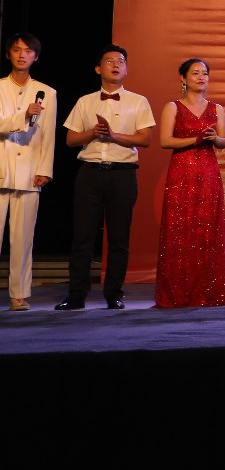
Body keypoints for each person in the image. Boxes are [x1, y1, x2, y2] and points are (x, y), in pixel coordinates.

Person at [58, 45, 155, 310]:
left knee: (119, 237)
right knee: (83, 236)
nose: (116, 65)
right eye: (110, 61)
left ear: (126, 69)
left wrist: (113, 136)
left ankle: (114, 294)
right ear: (98, 69)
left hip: (122, 174)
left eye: (121, 61)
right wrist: (92, 133)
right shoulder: (85, 101)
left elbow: (145, 139)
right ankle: (76, 295)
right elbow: (70, 139)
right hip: (90, 172)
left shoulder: (138, 101)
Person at [154, 58, 225, 307]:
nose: (201, 77)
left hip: (208, 173)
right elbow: (165, 141)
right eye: (195, 73)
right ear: (183, 78)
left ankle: (207, 291)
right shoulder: (173, 107)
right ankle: (178, 291)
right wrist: (194, 140)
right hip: (181, 174)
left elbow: (223, 142)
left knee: (207, 230)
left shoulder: (217, 108)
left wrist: (214, 138)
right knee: (180, 229)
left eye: (205, 73)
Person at [2, 33, 55, 312]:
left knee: (23, 239)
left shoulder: (47, 92)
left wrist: (45, 169)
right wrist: (22, 116)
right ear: (8, 54)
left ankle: (19, 294)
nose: (22, 55)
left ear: (36, 56)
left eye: (28, 51)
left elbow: (47, 136)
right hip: (2, 167)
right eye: (16, 50)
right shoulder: (0, 87)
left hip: (29, 171)